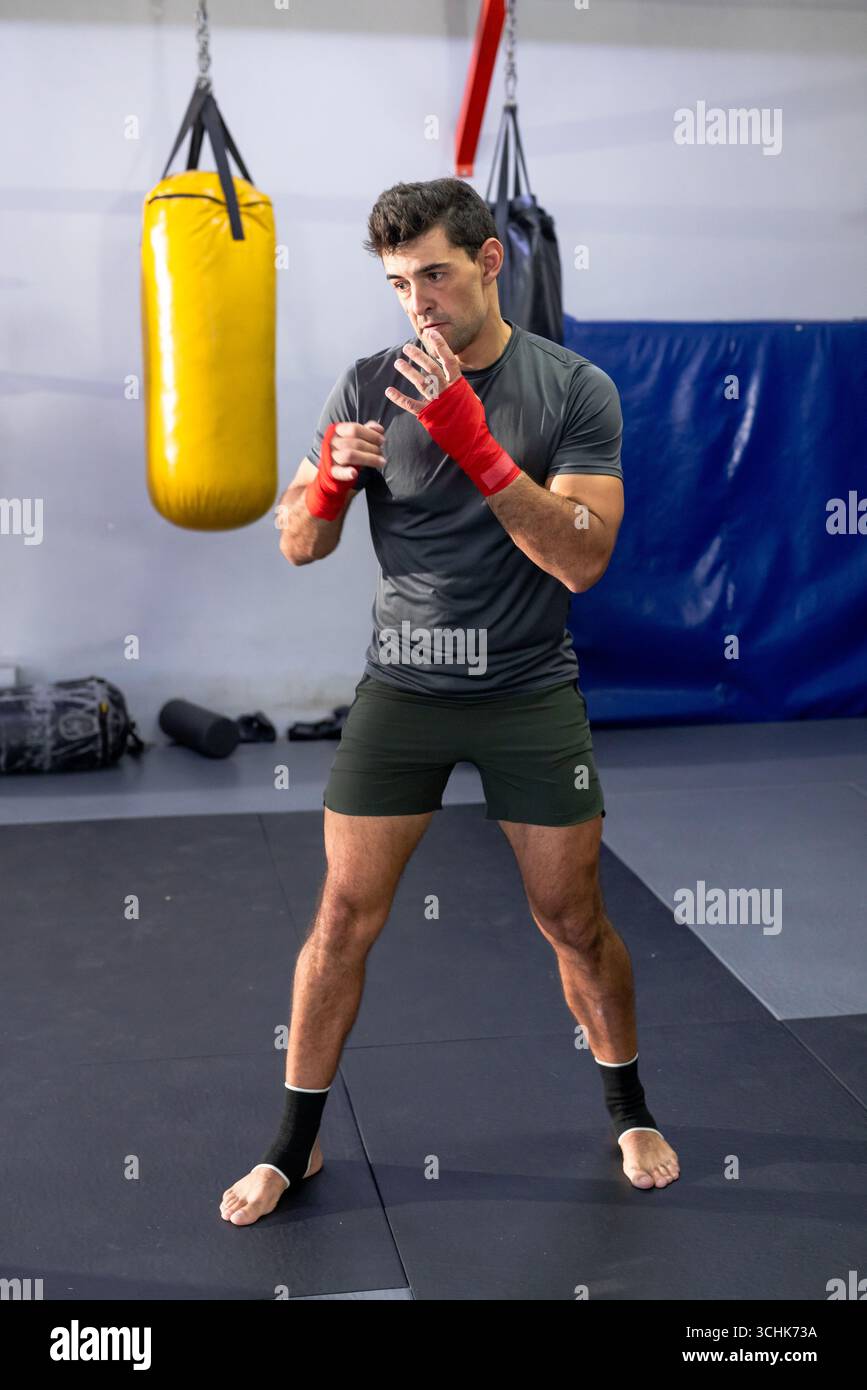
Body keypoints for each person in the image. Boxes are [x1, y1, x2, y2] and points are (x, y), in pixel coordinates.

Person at [220, 178, 679, 1227]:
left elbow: (585, 559)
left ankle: (631, 1108)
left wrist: (477, 446)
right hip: (405, 687)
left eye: (433, 273)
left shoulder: (573, 390)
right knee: (340, 918)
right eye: (396, 282)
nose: (416, 302)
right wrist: (329, 487)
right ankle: (294, 1145)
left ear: (488, 262)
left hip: (527, 688)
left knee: (572, 918)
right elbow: (297, 541)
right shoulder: (365, 382)